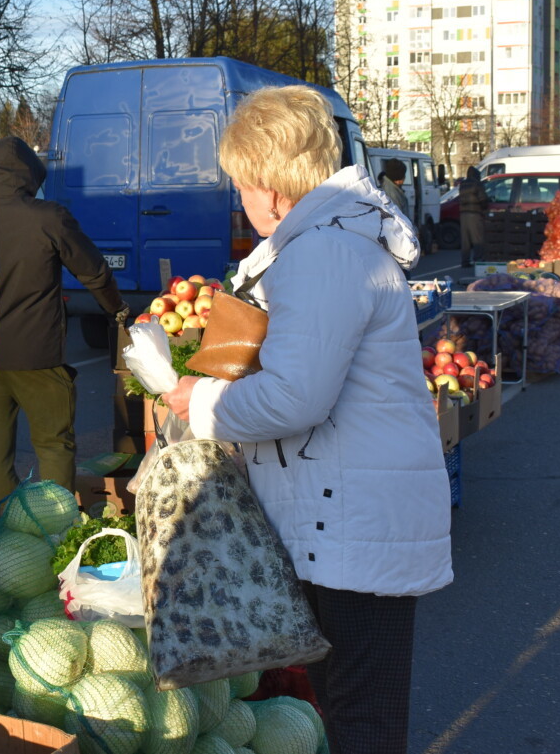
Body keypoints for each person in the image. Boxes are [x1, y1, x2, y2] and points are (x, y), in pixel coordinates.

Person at [160, 85, 453, 754]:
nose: (240, 198)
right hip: (349, 522)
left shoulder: (325, 253)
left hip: (357, 531)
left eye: (241, 183)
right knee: (352, 712)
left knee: (363, 720)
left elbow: (296, 397)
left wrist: (201, 404)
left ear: (268, 180)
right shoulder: (331, 244)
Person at [0, 136, 129, 512]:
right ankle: (55, 530)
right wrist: (119, 311)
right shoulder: (48, 217)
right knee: (53, 445)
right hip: (38, 356)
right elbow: (94, 272)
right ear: (31, 174)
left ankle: (9, 528)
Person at [458, 165, 489, 267]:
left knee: (465, 240)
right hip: (475, 214)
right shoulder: (477, 184)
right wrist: (485, 209)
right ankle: (478, 260)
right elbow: (483, 199)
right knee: (477, 238)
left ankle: (464, 261)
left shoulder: (462, 184)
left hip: (463, 214)